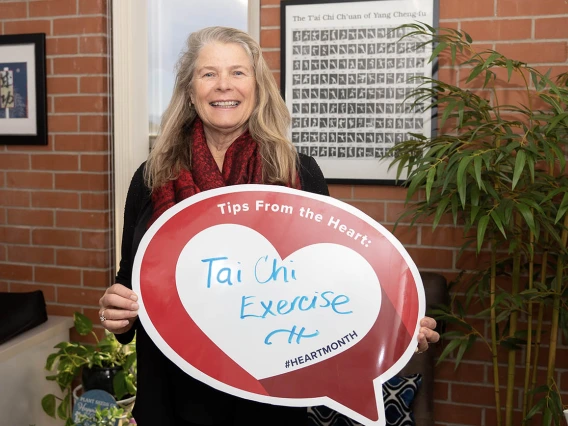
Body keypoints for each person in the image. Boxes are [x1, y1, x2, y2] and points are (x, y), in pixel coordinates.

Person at [98, 26, 440, 426]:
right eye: (208, 74)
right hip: (171, 397)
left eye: (238, 72)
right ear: (191, 92)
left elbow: (327, 284)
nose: (223, 85)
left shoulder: (297, 173)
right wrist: (115, 313)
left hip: (269, 404)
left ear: (257, 86)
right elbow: (130, 284)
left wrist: (394, 323)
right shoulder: (152, 177)